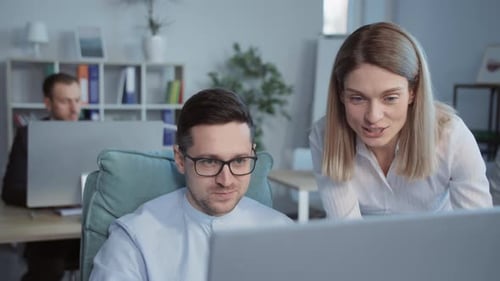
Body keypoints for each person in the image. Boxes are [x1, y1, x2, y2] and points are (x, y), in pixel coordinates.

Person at [89, 88, 293, 281]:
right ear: (179, 159)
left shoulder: (283, 232)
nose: (226, 180)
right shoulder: (135, 239)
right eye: (209, 162)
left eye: (239, 161)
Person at [309, 22, 492, 219]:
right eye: (357, 98)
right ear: (341, 94)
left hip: (438, 246)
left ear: (412, 92)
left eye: (390, 98)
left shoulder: (452, 138)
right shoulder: (325, 136)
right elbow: (347, 230)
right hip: (363, 245)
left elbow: (477, 232)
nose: (373, 116)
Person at [1, 72, 82, 281]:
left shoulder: (94, 131)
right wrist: (46, 197)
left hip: (87, 221)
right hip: (49, 228)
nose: (74, 109)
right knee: (48, 268)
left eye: (77, 100)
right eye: (65, 101)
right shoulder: (28, 135)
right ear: (48, 103)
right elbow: (10, 190)